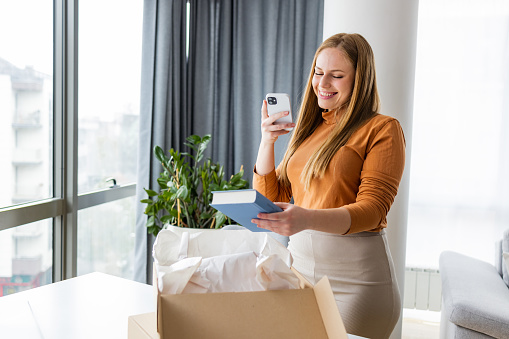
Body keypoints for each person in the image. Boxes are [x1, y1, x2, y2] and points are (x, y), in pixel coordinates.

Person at [251, 33, 406, 339]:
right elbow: (272, 197)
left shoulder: (382, 129)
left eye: (336, 76)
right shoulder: (310, 130)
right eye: (318, 73)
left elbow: (372, 210)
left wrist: (306, 218)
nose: (323, 84)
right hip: (301, 273)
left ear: (359, 80)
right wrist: (267, 141)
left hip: (357, 284)